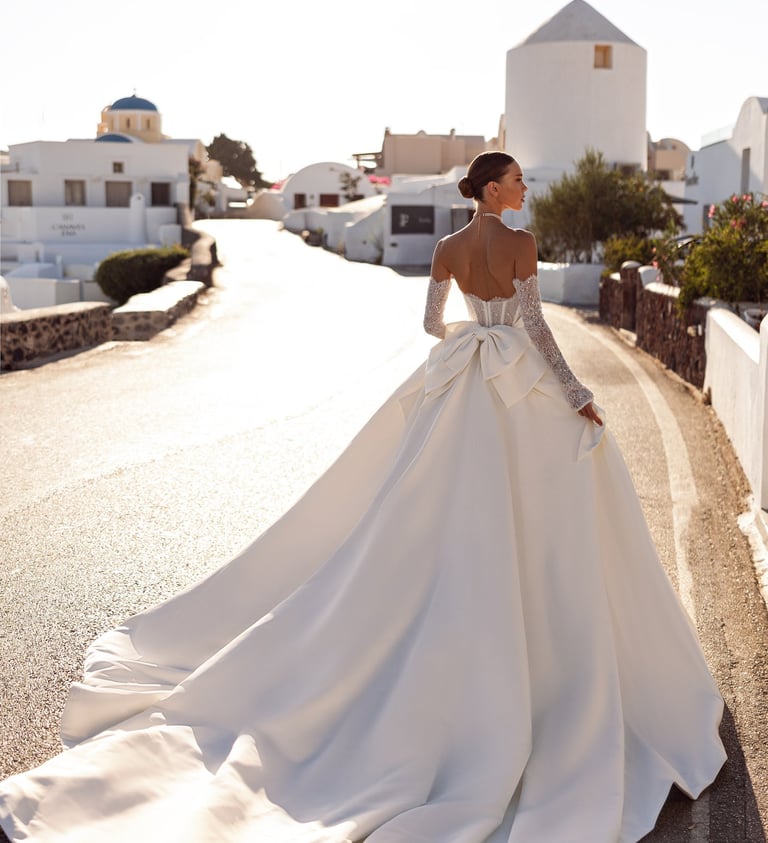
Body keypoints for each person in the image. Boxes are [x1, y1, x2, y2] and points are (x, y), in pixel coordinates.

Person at [0, 152, 725, 843]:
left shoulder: (446, 248)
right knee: (545, 524)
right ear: (492, 191)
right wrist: (574, 392)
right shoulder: (522, 244)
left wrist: (471, 344)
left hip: (463, 379)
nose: (526, 188)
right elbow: (534, 325)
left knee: (430, 518)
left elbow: (431, 324)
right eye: (516, 180)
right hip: (521, 388)